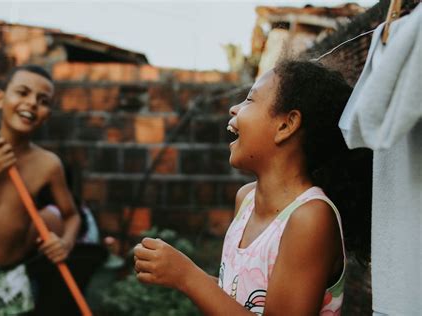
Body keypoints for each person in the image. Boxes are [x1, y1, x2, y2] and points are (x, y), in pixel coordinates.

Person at [134, 60, 369, 315]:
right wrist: (178, 272)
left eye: (249, 100)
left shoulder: (310, 218)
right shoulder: (246, 199)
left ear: (286, 125)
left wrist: (187, 277)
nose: (234, 108)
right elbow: (238, 298)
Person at [0, 65, 81, 315]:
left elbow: (72, 215)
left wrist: (65, 242)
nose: (31, 103)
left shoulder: (49, 165)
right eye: (22, 92)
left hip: (12, 280)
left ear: (47, 114)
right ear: (0, 98)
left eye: (43, 101)